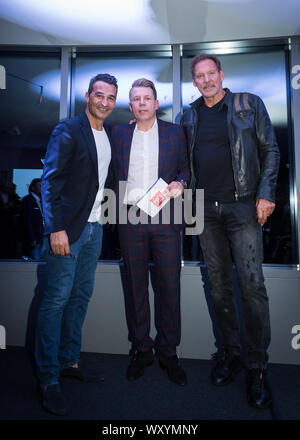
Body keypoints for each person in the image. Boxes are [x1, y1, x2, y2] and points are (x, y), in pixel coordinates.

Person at [181, 54, 280, 409]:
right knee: (219, 287)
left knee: (252, 286)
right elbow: (183, 162)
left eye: (211, 74)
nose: (206, 80)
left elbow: (270, 150)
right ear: (193, 81)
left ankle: (257, 366)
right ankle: (231, 352)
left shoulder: (248, 104)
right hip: (205, 210)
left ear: (221, 75)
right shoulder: (189, 115)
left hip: (244, 206)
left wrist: (266, 193)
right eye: (199, 76)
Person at [35, 73, 118, 416]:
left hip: (95, 229)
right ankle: (48, 379)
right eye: (99, 95)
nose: (104, 102)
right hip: (68, 232)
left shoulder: (107, 135)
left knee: (80, 297)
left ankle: (69, 362)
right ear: (88, 96)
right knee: (55, 300)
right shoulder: (68, 129)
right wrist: (55, 229)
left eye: (111, 97)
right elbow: (50, 180)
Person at [111, 78, 190, 386]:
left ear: (156, 104)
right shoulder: (118, 134)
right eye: (136, 99)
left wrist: (181, 183)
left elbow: (186, 167)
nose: (142, 103)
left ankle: (168, 352)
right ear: (130, 106)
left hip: (166, 217)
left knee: (170, 288)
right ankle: (142, 349)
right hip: (130, 218)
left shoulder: (175, 132)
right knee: (135, 288)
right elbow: (108, 173)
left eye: (147, 98)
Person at [20, 178, 43, 259]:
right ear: (33, 188)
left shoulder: (42, 200)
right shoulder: (27, 200)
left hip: (42, 237)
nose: (42, 188)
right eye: (40, 186)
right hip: (33, 238)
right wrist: (32, 238)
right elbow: (27, 221)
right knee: (35, 261)